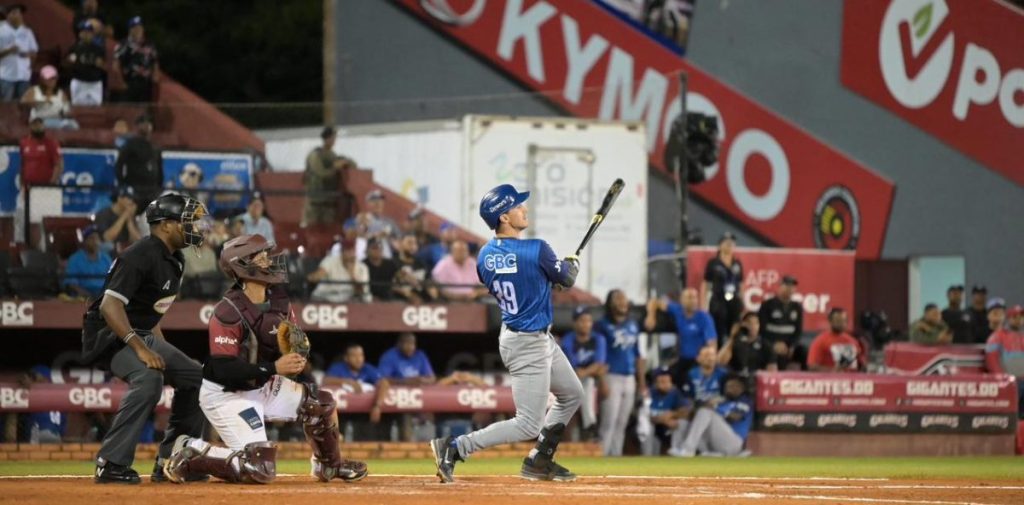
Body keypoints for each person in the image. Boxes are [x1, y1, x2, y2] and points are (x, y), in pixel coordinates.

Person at [162, 234, 367, 485]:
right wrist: (274, 367)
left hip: (262, 383)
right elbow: (223, 368)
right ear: (242, 266)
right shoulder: (227, 310)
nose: (269, 261)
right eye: (261, 257)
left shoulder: (279, 300)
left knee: (320, 403)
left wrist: (294, 357)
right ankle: (191, 453)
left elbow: (284, 347)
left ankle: (329, 466)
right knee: (258, 468)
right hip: (226, 394)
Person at [430, 184, 582, 483]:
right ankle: (456, 447)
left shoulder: (484, 255)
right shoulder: (537, 248)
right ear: (503, 217)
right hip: (528, 341)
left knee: (572, 394)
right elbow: (565, 278)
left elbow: (524, 279)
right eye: (517, 206)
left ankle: (540, 459)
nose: (524, 209)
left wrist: (554, 276)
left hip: (528, 336)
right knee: (528, 424)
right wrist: (569, 268)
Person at [80, 194, 209, 484]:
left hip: (139, 333)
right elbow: (110, 306)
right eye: (187, 221)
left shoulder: (174, 259)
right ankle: (110, 463)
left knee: (195, 377)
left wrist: (162, 351)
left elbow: (152, 314)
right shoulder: (139, 254)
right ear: (165, 225)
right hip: (108, 336)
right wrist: (141, 349)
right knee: (149, 379)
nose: (193, 227)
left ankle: (172, 461)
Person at [595, 289, 646, 457]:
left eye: (624, 299)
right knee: (608, 421)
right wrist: (601, 381)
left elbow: (638, 355)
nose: (622, 302)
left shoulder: (633, 325)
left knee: (622, 422)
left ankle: (615, 457)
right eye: (618, 299)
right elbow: (599, 356)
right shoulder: (602, 325)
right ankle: (602, 456)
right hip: (611, 375)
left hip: (630, 377)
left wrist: (642, 383)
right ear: (610, 303)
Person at [646, 287, 716, 386]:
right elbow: (654, 302)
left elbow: (712, 343)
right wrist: (651, 316)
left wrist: (709, 361)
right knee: (659, 375)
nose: (693, 301)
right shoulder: (677, 310)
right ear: (682, 300)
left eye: (695, 297)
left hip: (698, 361)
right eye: (690, 297)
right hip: (682, 359)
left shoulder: (704, 318)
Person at [670, 374, 753, 458]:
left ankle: (688, 449)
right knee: (682, 422)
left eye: (733, 386)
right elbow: (700, 417)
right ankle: (679, 450)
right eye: (727, 386)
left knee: (705, 412)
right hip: (714, 442)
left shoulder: (745, 401)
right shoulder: (722, 401)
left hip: (733, 443)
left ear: (741, 388)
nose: (729, 389)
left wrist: (715, 407)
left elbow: (736, 417)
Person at [560, 306, 608, 441]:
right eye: (582, 320)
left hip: (594, 379)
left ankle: (590, 426)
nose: (586, 324)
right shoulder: (568, 339)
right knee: (584, 383)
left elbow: (599, 364)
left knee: (587, 382)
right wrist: (588, 370)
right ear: (575, 323)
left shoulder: (598, 339)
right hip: (571, 378)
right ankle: (590, 426)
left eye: (588, 321)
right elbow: (572, 365)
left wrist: (586, 371)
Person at [14, 116, 62, 243]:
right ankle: (19, 244)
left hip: (43, 188)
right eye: (35, 124)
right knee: (20, 214)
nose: (37, 127)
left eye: (40, 124)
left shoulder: (51, 143)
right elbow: (22, 164)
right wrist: (22, 185)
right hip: (27, 187)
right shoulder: (24, 143)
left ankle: (42, 248)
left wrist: (50, 185)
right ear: (30, 126)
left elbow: (58, 165)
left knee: (40, 221)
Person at [324, 344, 390, 426]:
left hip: (364, 412)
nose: (358, 359)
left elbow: (384, 383)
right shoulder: (338, 368)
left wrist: (377, 406)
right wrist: (348, 382)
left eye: (361, 355)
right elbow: (325, 380)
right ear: (346, 358)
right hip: (342, 413)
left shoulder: (367, 368)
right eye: (354, 356)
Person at [303, 126, 354, 227]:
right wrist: (335, 167)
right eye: (332, 137)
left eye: (334, 138)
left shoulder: (332, 155)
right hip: (315, 201)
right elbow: (321, 173)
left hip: (329, 200)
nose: (334, 140)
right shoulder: (315, 155)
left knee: (328, 229)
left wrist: (346, 162)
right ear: (326, 138)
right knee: (313, 228)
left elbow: (352, 165)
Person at [702, 232, 744, 344]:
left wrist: (742, 301)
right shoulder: (713, 263)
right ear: (720, 245)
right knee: (718, 326)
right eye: (726, 243)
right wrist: (703, 304)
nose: (729, 246)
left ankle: (731, 347)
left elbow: (741, 283)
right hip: (718, 299)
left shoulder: (737, 264)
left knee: (735, 325)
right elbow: (705, 283)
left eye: (732, 243)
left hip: (733, 299)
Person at [115, 115, 162, 209]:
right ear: (137, 126)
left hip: (152, 189)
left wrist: (159, 186)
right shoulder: (131, 144)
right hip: (136, 188)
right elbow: (120, 164)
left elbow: (159, 167)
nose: (147, 125)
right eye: (143, 123)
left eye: (149, 123)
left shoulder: (155, 147)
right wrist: (123, 183)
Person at [985, 305, 1024, 416]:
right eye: (1015, 317)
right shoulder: (997, 336)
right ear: (1008, 318)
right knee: (1010, 414)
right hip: (1008, 383)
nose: (1018, 320)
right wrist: (1002, 379)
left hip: (1022, 381)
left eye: (1021, 317)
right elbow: (991, 361)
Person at [758, 275, 804, 369]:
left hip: (788, 345)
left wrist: (791, 346)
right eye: (787, 286)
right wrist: (773, 344)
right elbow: (761, 330)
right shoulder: (767, 305)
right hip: (771, 343)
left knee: (804, 352)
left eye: (792, 287)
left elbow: (798, 331)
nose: (789, 289)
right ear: (779, 287)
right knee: (777, 355)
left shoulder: (797, 307)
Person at [642, 368, 690, 456]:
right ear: (655, 383)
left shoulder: (675, 392)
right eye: (662, 382)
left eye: (668, 382)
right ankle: (646, 458)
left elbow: (686, 411)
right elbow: (644, 415)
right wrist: (663, 420)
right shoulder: (648, 392)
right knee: (646, 425)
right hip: (652, 426)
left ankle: (677, 452)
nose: (666, 385)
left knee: (682, 423)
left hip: (667, 427)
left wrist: (672, 414)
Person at [717, 312, 778, 382]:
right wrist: (733, 337)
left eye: (756, 323)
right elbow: (720, 362)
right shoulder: (736, 343)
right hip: (737, 381)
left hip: (757, 381)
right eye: (750, 323)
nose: (753, 326)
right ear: (743, 325)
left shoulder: (766, 345)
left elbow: (772, 372)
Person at [113, 16, 159, 103]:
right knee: (128, 108)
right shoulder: (123, 44)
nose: (138, 30)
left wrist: (155, 78)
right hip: (130, 82)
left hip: (146, 84)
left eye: (140, 27)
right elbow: (116, 65)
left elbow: (155, 62)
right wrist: (121, 82)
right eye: (135, 28)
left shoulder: (149, 44)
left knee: (145, 108)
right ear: (130, 30)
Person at [20, 65, 79, 130]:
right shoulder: (34, 90)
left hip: (57, 119)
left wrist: (66, 112)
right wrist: (38, 103)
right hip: (39, 120)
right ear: (42, 79)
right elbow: (23, 103)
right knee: (60, 124)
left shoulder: (61, 93)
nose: (51, 81)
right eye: (49, 79)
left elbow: (66, 110)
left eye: (53, 78)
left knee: (73, 124)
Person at [807, 308, 864, 372]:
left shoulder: (853, 341)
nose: (841, 324)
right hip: (830, 377)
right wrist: (833, 371)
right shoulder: (820, 341)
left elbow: (861, 364)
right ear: (830, 321)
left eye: (843, 321)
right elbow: (812, 367)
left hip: (853, 376)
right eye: (838, 321)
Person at [0, 4, 36, 101]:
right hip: (6, 76)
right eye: (15, 13)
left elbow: (34, 51)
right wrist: (9, 50)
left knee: (24, 104)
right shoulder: (1, 30)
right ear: (8, 15)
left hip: (24, 76)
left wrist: (27, 55)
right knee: (6, 105)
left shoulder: (27, 31)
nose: (18, 16)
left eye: (20, 13)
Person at [65, 226, 113, 299]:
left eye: (97, 238)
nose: (95, 242)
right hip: (82, 298)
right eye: (91, 238)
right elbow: (71, 284)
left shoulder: (106, 258)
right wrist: (87, 295)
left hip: (103, 297)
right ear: (84, 241)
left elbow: (113, 281)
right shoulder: (75, 259)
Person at [67, 21, 106, 106]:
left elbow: (104, 65)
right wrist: (70, 61)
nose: (87, 34)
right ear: (80, 34)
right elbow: (68, 63)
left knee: (96, 107)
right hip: (79, 80)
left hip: (94, 81)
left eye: (89, 32)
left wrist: (100, 64)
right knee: (77, 106)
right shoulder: (74, 47)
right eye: (84, 32)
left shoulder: (98, 48)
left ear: (93, 34)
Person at [94, 186, 142, 251]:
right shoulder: (103, 214)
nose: (131, 202)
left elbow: (138, 241)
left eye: (133, 199)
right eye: (129, 198)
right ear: (119, 198)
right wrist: (124, 215)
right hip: (106, 253)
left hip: (124, 252)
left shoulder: (130, 215)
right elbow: (107, 238)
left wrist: (129, 221)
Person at [394, 233, 435, 303]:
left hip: (422, 298)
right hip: (401, 299)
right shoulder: (393, 263)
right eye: (409, 243)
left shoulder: (421, 264)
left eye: (415, 243)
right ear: (401, 244)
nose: (413, 246)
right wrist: (407, 294)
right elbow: (390, 285)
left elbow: (428, 280)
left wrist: (432, 288)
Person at [363, 189, 401, 257]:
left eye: (380, 201)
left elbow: (399, 240)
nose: (378, 203)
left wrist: (392, 241)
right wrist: (378, 235)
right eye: (374, 200)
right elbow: (360, 239)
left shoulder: (389, 222)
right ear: (367, 204)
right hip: (369, 256)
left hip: (388, 257)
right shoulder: (363, 220)